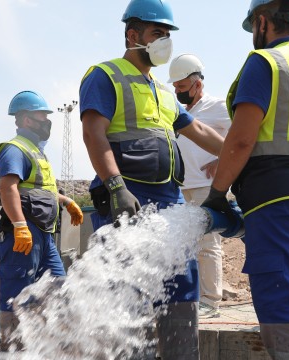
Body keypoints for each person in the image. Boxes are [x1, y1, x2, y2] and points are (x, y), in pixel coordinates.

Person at [201, 0, 289, 359]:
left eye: (253, 25)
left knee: (280, 303)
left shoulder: (265, 63)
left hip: (273, 201)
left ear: (263, 21)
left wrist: (217, 195)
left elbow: (242, 139)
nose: (253, 33)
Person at [79, 0, 225, 358]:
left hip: (170, 204)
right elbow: (93, 134)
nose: (164, 41)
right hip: (128, 202)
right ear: (133, 35)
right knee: (129, 299)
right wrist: (116, 187)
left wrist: (236, 155)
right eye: (157, 33)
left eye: (167, 35)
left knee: (182, 288)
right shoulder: (105, 75)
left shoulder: (162, 91)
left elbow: (200, 130)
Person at [0, 90, 84, 349]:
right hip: (24, 231)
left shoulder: (37, 152)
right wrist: (20, 226)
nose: (47, 121)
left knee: (57, 286)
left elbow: (42, 190)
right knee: (17, 291)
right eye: (41, 116)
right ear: (25, 119)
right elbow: (8, 188)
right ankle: (14, 349)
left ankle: (46, 346)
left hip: (43, 233)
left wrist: (67, 202)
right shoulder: (15, 149)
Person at [168, 53, 231, 318]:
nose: (177, 91)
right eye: (175, 87)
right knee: (185, 246)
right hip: (181, 187)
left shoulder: (217, 107)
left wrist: (221, 158)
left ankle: (210, 302)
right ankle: (191, 299)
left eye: (182, 87)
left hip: (207, 186)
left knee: (207, 243)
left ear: (198, 84)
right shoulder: (178, 111)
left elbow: (245, 134)